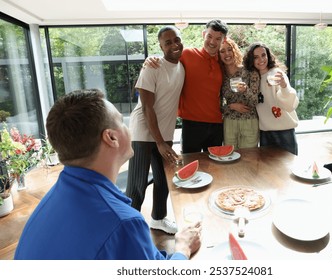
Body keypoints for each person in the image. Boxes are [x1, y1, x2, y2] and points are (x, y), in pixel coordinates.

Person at [14, 89, 202, 260]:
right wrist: (183, 248)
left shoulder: (49, 202)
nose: (127, 126)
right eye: (121, 121)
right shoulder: (124, 224)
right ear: (111, 138)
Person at [126, 26, 184, 235]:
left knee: (164, 180)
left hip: (164, 133)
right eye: (168, 42)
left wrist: (163, 140)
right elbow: (147, 106)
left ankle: (158, 218)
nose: (174, 44)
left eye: (176, 39)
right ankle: (129, 229)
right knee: (137, 184)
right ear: (160, 46)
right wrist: (159, 141)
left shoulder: (181, 66)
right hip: (144, 131)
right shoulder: (153, 66)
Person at [146, 19, 229, 153]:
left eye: (218, 38)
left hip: (216, 124)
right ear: (203, 34)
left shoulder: (223, 62)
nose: (213, 42)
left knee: (215, 166)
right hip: (191, 124)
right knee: (191, 166)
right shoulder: (187, 54)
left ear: (223, 40)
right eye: (209, 36)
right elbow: (167, 59)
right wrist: (151, 58)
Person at [243, 42, 299, 155]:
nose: (261, 60)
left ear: (268, 56)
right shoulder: (252, 78)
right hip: (265, 132)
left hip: (284, 131)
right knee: (267, 169)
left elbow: (289, 106)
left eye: (263, 55)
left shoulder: (277, 74)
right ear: (251, 60)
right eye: (256, 57)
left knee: (288, 168)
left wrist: (284, 86)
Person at [219, 37, 260, 148]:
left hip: (249, 122)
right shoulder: (219, 76)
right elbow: (217, 107)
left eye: (229, 49)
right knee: (230, 160)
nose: (227, 53)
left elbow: (256, 101)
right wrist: (232, 106)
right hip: (229, 123)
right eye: (222, 51)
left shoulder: (250, 71)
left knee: (249, 161)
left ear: (234, 50)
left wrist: (246, 90)